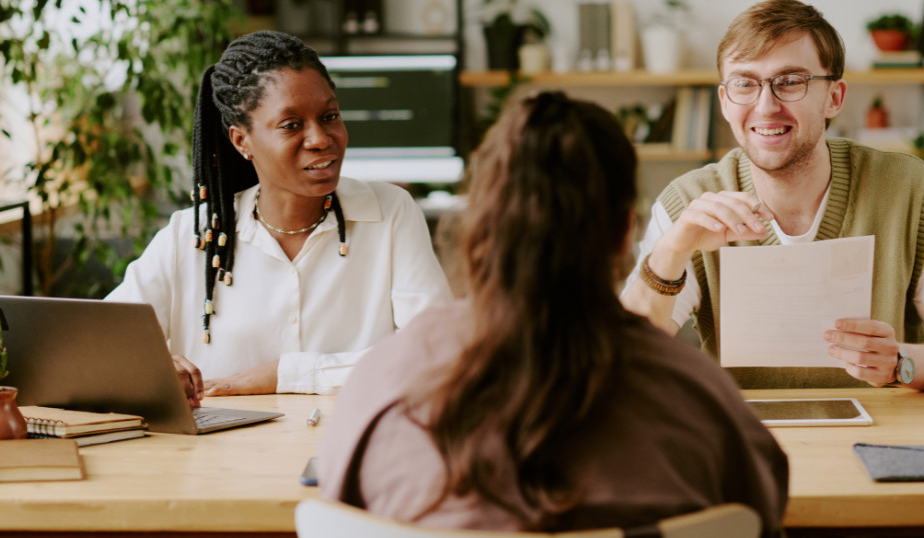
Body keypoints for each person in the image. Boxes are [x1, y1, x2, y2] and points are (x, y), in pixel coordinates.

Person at [318, 92, 788, 534]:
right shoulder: (698, 396)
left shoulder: (384, 381)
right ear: (625, 230)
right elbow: (760, 515)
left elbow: (337, 511)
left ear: (480, 222)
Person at [621, 0, 924, 391]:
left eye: (790, 82)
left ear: (834, 97)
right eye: (745, 84)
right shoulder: (688, 203)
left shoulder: (909, 190)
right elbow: (625, 359)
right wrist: (671, 253)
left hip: (882, 439)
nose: (766, 106)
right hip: (746, 440)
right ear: (724, 102)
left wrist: (902, 362)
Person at [107, 31, 451, 401]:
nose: (320, 138)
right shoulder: (188, 237)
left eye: (330, 116)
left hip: (346, 453)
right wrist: (152, 368)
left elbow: (437, 354)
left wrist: (285, 374)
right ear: (242, 141)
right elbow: (98, 345)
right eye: (291, 125)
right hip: (219, 458)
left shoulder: (391, 213)